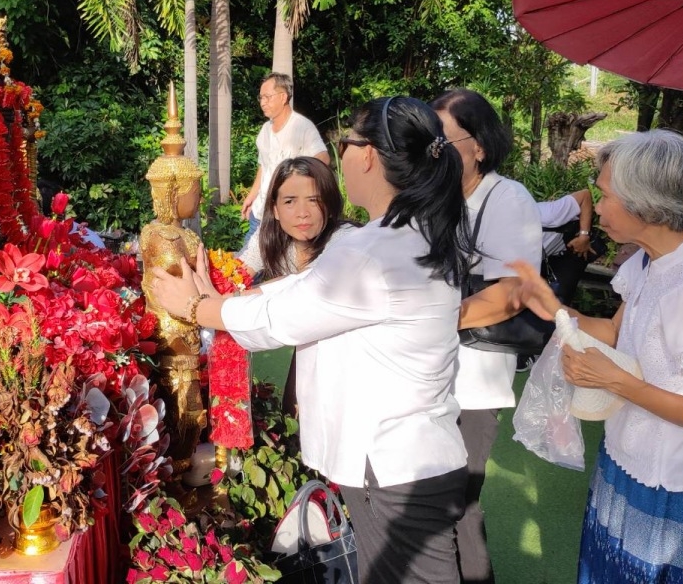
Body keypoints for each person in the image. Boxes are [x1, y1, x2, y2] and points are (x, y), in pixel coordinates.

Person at [152, 96, 476, 584]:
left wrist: (197, 309)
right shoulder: (399, 236)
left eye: (345, 142)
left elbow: (285, 316)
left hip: (396, 468)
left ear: (367, 155)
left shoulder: (372, 250)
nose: (339, 153)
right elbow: (303, 288)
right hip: (409, 461)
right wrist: (221, 301)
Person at [510, 130, 683, 584]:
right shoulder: (650, 261)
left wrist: (616, 381)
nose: (598, 206)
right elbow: (616, 331)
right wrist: (556, 309)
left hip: (670, 480)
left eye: (606, 195)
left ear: (647, 204)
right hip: (628, 454)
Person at [430, 89, 541, 584]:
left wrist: (430, 319)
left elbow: (512, 293)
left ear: (478, 146)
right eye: (430, 142)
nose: (434, 152)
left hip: (474, 377)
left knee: (459, 501)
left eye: (444, 142)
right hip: (433, 367)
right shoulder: (439, 197)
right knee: (432, 494)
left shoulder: (507, 198)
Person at [236, 156, 354, 414]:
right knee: (290, 408)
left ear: (331, 205)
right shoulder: (269, 237)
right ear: (275, 210)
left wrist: (237, 300)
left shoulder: (346, 240)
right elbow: (237, 274)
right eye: (289, 201)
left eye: (314, 200)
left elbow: (308, 282)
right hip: (305, 340)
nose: (303, 213)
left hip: (346, 352)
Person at [240, 73, 329, 243]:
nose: (262, 102)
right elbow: (263, 165)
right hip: (259, 213)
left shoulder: (302, 126)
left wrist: (299, 188)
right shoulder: (265, 130)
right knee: (245, 265)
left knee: (278, 265)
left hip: (284, 217)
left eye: (267, 97)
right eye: (261, 97)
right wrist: (251, 196)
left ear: (283, 97)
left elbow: (323, 158)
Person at [538, 188, 600, 306]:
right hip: (543, 260)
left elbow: (584, 196)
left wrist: (584, 236)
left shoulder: (548, 215)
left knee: (559, 302)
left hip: (572, 250)